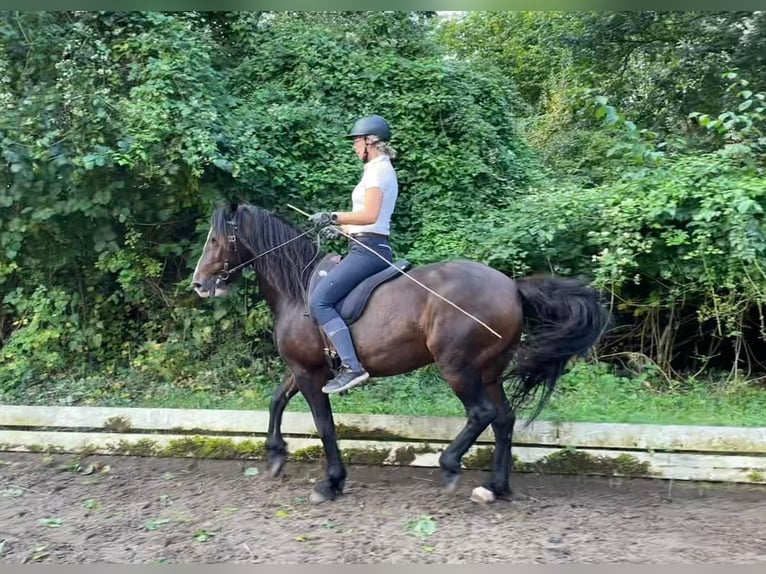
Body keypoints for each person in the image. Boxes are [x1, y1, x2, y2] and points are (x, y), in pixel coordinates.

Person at [308, 114, 399, 394]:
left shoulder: (377, 171)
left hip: (368, 250)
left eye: (357, 141)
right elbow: (372, 220)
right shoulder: (378, 169)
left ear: (370, 142)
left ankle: (352, 367)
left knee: (320, 301)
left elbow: (370, 214)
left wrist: (333, 216)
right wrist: (343, 230)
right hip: (365, 242)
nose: (354, 147)